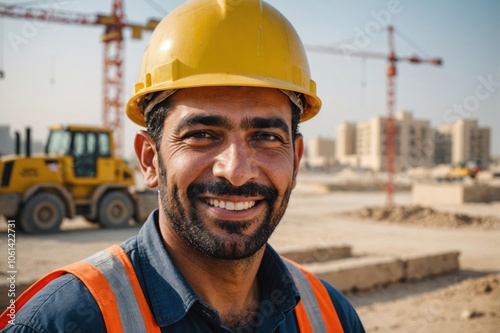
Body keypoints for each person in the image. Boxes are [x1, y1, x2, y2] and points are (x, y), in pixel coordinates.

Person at [1, 0, 365, 332]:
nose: (236, 171)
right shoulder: (59, 321)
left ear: (296, 161)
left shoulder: (331, 315)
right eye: (203, 134)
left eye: (266, 137)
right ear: (149, 159)